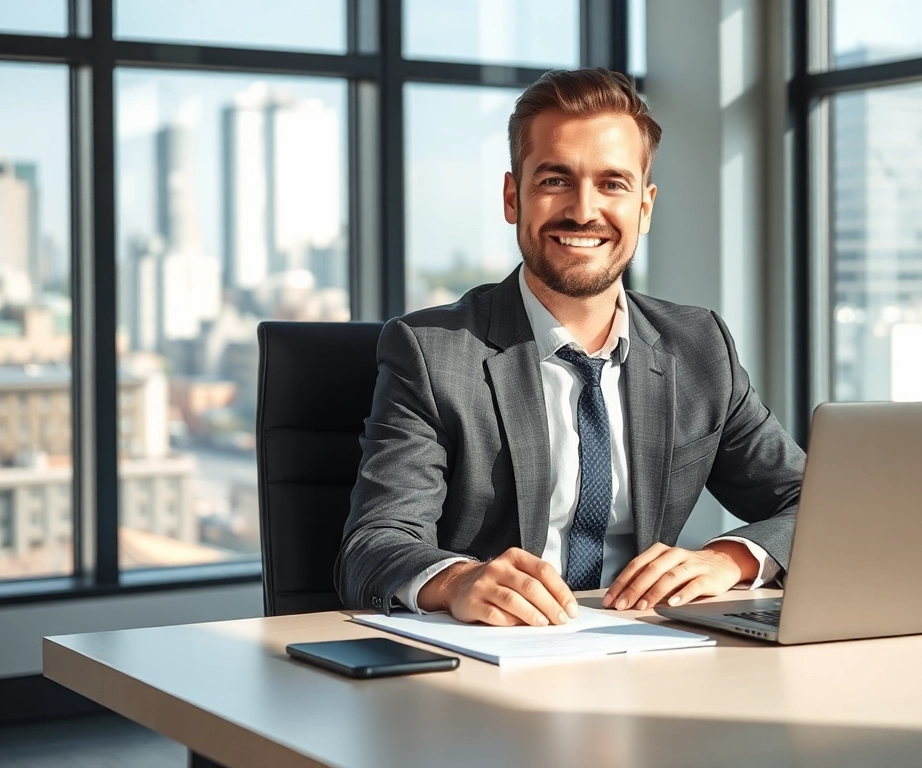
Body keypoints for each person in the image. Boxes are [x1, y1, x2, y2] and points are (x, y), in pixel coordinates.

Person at [335, 68, 804, 627]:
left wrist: (729, 559)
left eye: (612, 184)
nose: (584, 211)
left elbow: (817, 503)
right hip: (497, 663)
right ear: (514, 197)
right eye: (556, 180)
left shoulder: (699, 347)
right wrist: (460, 580)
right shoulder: (433, 354)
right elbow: (374, 544)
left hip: (655, 654)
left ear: (645, 208)